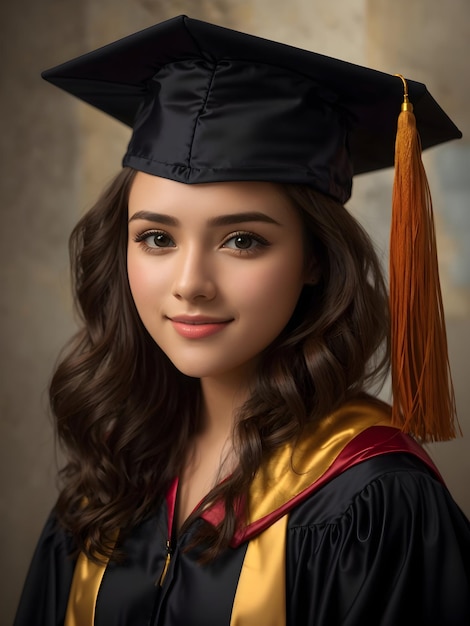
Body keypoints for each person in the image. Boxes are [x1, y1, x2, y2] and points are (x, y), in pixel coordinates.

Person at [14, 14, 470, 626]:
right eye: (155, 237)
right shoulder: (112, 474)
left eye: (242, 241)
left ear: (314, 258)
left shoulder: (375, 503)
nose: (190, 284)